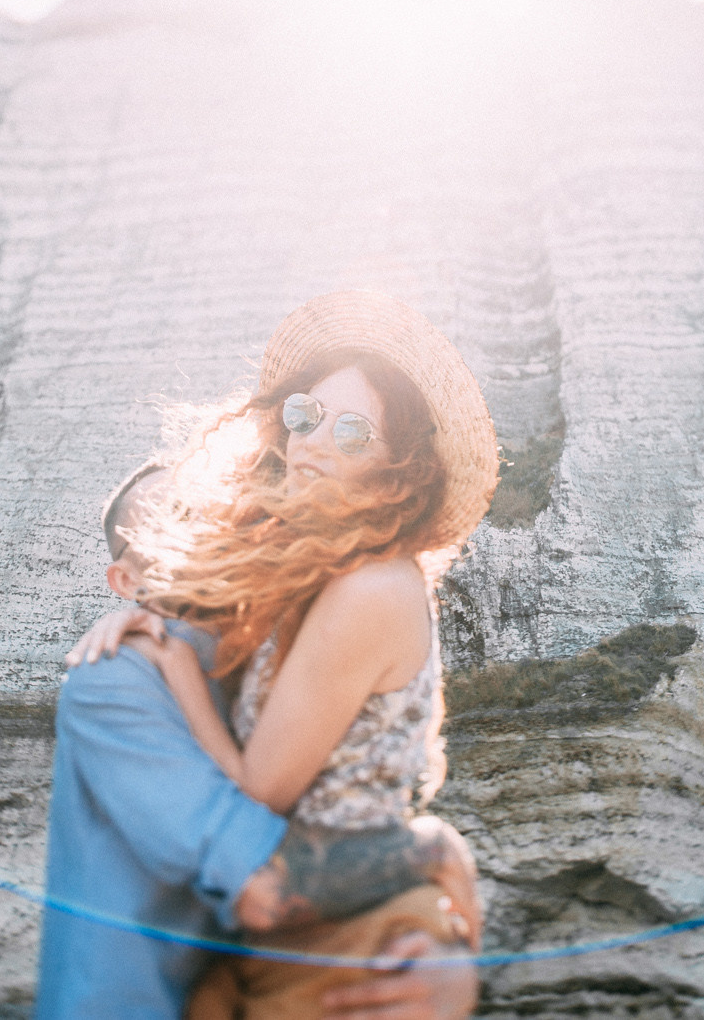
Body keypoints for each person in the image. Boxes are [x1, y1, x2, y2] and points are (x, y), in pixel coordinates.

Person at [59, 291, 499, 1019]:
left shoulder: (367, 592)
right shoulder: (276, 609)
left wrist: (174, 669)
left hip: (354, 953)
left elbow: (260, 795)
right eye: (305, 414)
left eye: (354, 431)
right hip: (279, 954)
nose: (315, 442)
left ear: (400, 468)